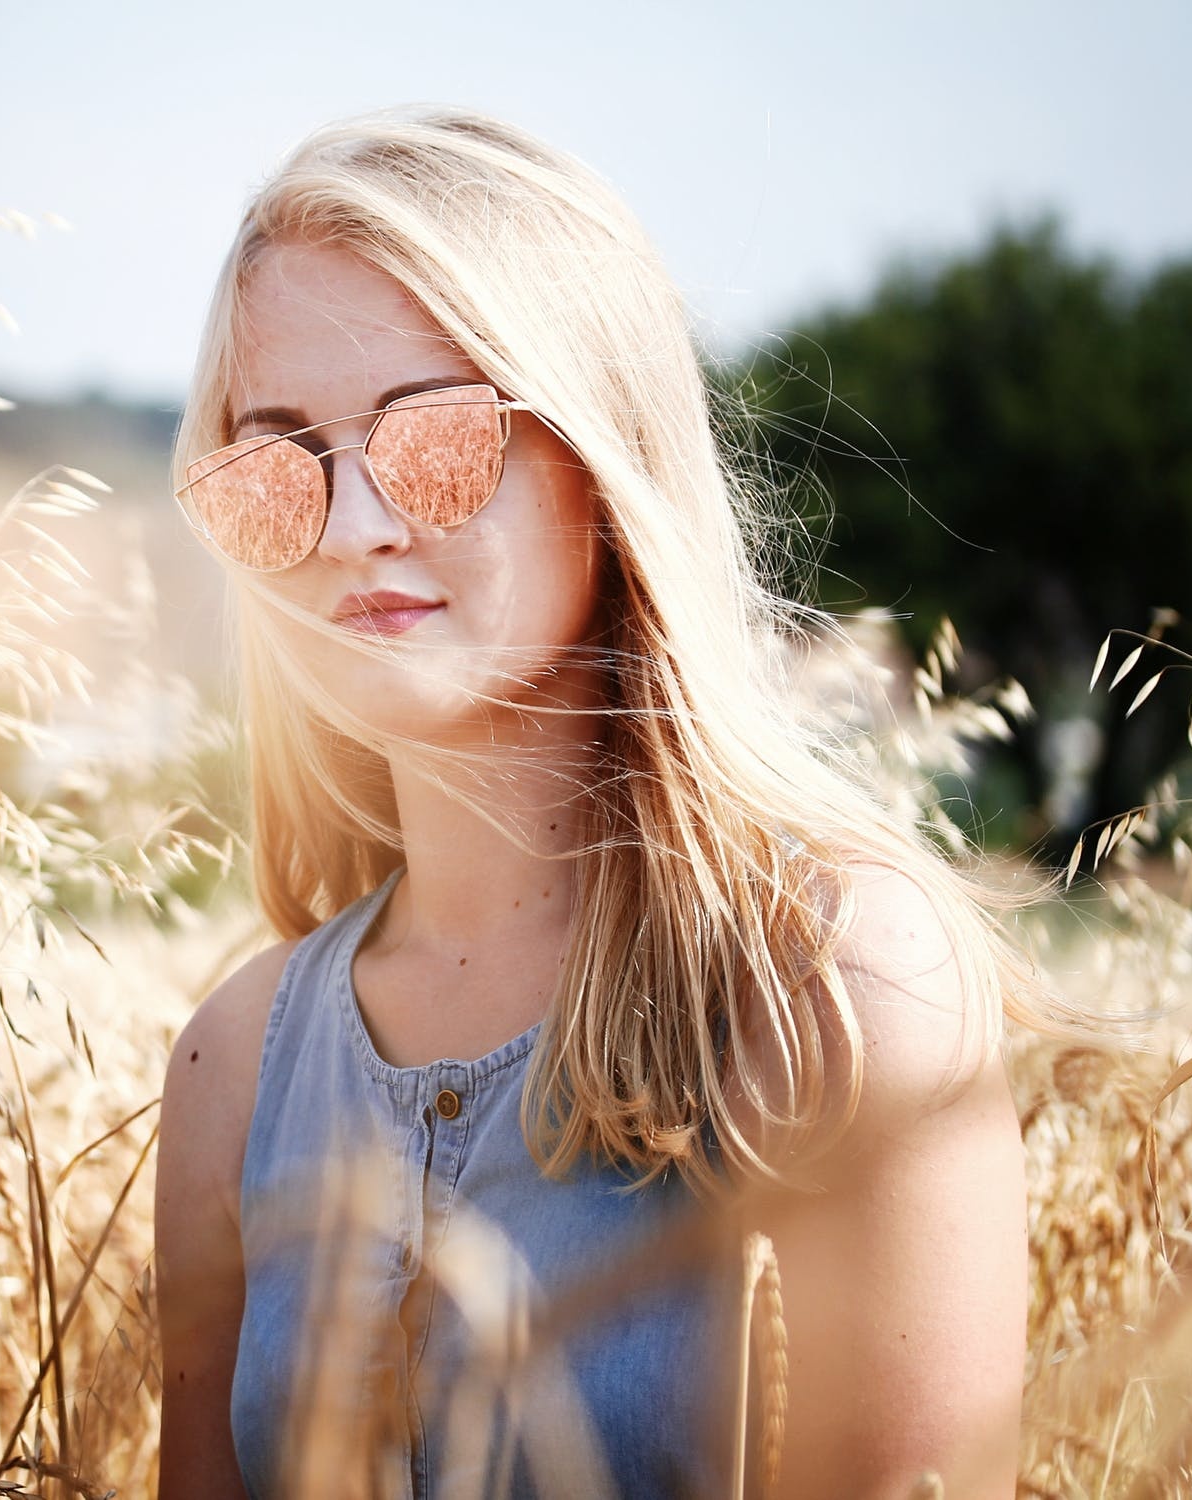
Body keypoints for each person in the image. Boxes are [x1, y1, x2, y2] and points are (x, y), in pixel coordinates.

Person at [154, 105, 1045, 1500]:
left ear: (601, 455)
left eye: (433, 438)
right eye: (276, 468)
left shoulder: (835, 988)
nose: (351, 528)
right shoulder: (232, 1067)